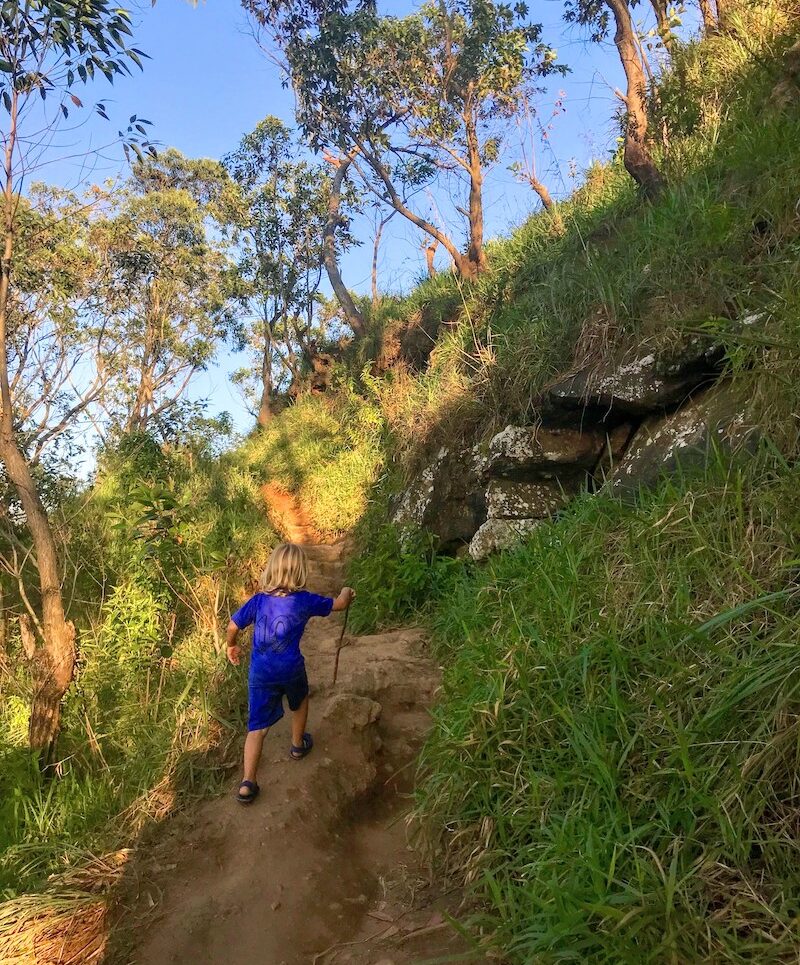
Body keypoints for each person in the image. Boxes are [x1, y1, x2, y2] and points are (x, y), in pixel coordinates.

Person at [226, 542, 355, 805]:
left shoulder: (258, 601)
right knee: (300, 701)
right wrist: (346, 591)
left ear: (272, 570)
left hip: (261, 673)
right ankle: (297, 744)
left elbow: (233, 624)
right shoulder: (305, 600)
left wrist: (231, 645)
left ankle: (247, 782)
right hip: (291, 668)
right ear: (300, 572)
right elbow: (339, 604)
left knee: (256, 728)